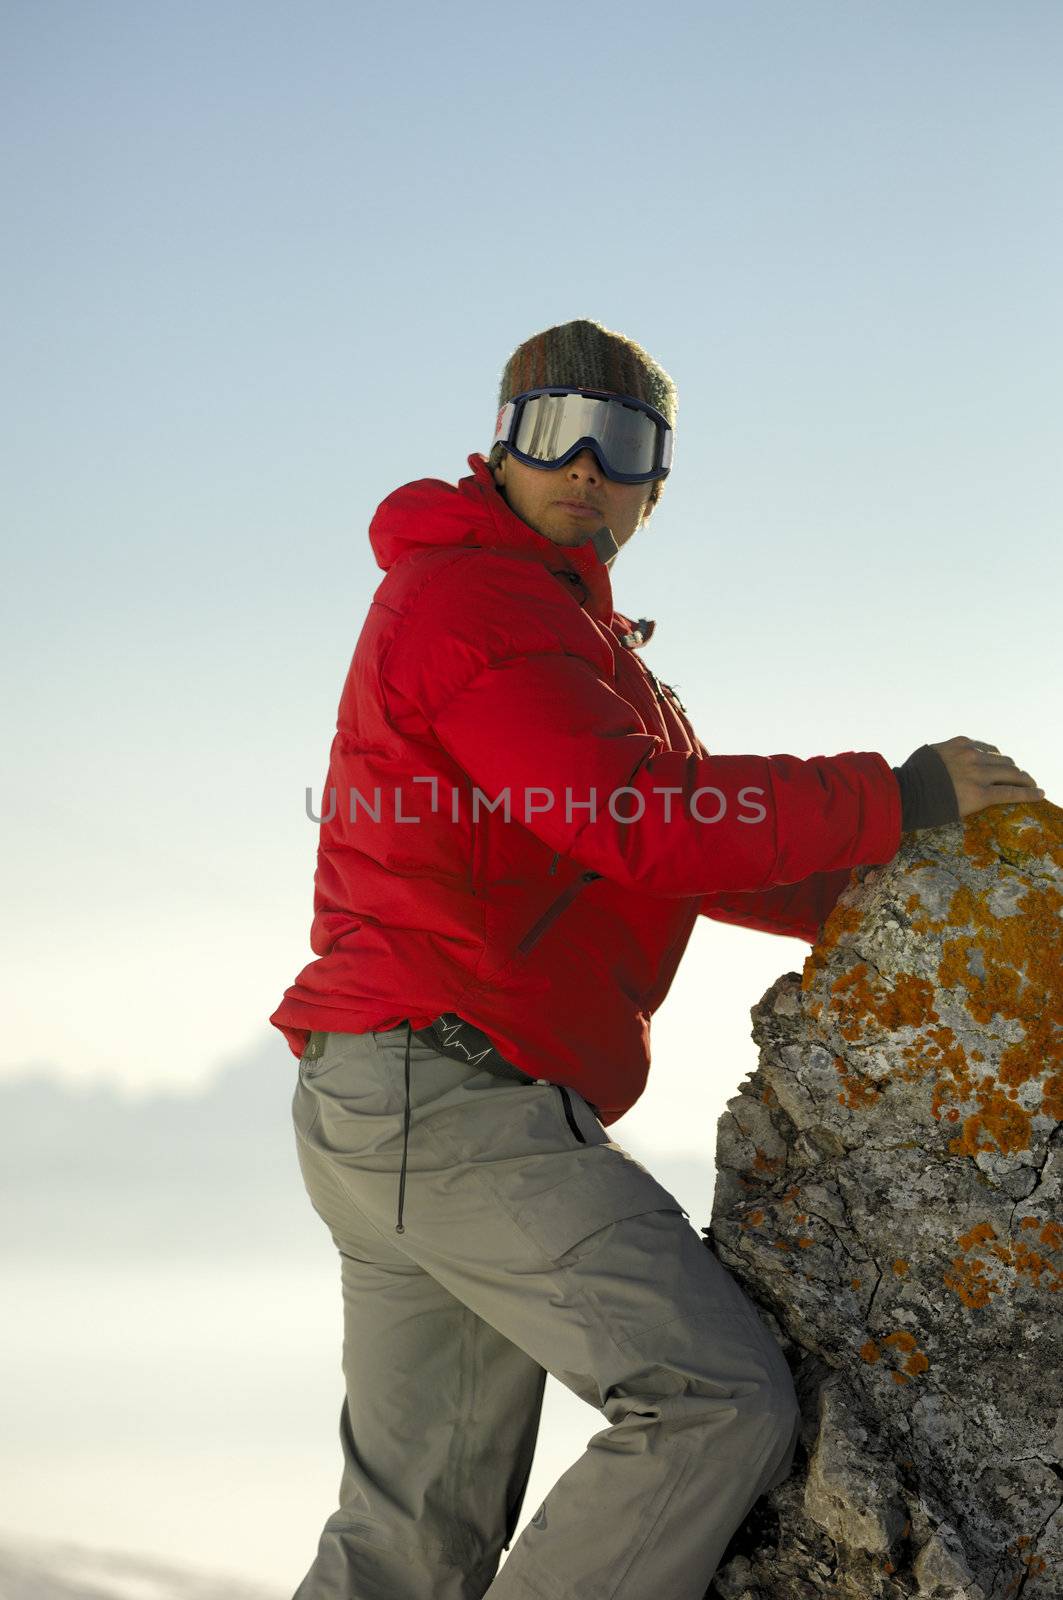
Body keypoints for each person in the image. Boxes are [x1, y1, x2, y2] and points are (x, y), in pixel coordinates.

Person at [271, 318, 1044, 1600]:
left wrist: (914, 892)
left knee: (409, 1541)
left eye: (617, 439)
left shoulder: (572, 641)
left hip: (397, 1097)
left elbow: (675, 842)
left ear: (652, 486)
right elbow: (633, 815)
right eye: (549, 426)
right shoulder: (473, 599)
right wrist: (892, 795)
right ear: (499, 445)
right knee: (715, 1401)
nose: (581, 460)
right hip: (449, 1095)